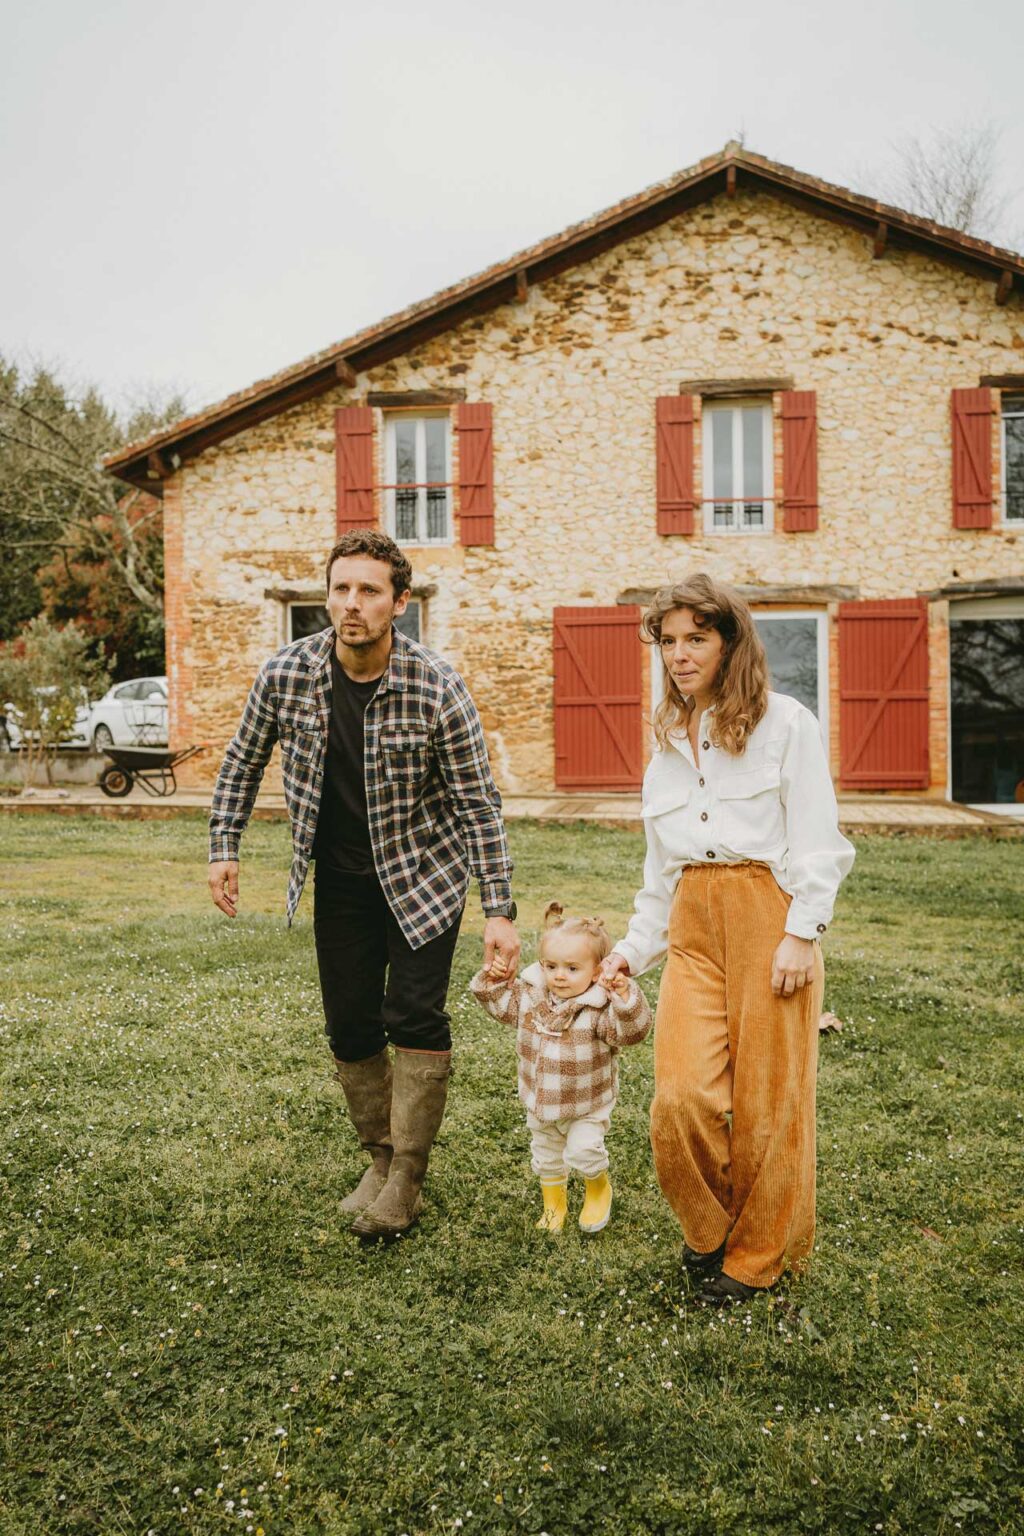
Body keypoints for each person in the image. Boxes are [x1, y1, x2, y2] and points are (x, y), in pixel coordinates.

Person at [208, 529, 520, 1241]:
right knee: (351, 1025)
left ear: (399, 603)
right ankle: (378, 1157)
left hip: (424, 877)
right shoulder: (285, 674)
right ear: (328, 596)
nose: (352, 604)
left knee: (413, 1016)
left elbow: (479, 804)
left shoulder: (436, 684)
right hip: (341, 882)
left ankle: (407, 1172)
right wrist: (223, 846)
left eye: (370, 591)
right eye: (341, 588)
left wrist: (498, 909)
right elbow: (241, 762)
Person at [600, 574, 855, 1306]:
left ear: (730, 641)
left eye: (696, 639)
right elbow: (661, 871)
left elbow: (818, 838)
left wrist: (802, 933)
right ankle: (709, 1231)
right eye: (668, 641)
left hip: (768, 915)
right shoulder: (668, 746)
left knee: (772, 1102)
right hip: (691, 923)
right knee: (680, 1096)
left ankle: (755, 1257)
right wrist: (629, 949)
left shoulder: (786, 724)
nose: (679, 655)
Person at [471, 902, 651, 1235]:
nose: (559, 976)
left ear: (596, 972)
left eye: (571, 968)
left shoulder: (597, 1008)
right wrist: (494, 979)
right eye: (551, 966)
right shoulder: (531, 996)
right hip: (541, 1100)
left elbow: (632, 1033)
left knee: (584, 1151)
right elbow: (501, 1006)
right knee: (546, 1156)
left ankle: (598, 1188)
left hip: (586, 1103)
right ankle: (555, 1204)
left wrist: (626, 1000)